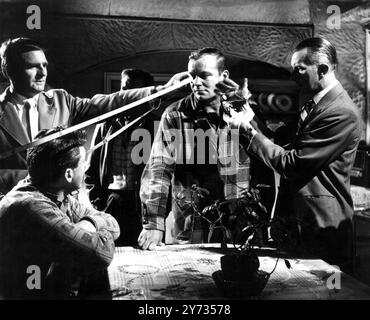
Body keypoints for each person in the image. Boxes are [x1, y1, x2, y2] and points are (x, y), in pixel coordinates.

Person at [221, 37, 362, 274]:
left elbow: (291, 163)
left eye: (299, 69)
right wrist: (249, 116)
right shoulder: (319, 105)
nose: (293, 75)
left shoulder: (340, 112)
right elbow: (281, 145)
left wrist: (247, 130)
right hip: (301, 223)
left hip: (322, 226)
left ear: (323, 69)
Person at [0, 37, 187, 196]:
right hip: (13, 210)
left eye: (44, 65)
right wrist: (33, 178)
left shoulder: (60, 100)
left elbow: (108, 103)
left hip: (59, 208)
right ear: (9, 70)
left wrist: (161, 91)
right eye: (32, 67)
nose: (42, 73)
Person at [138, 47, 255, 250]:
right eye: (192, 76)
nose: (196, 83)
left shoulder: (242, 111)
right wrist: (153, 223)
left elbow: (264, 156)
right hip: (191, 221)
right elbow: (158, 170)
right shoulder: (175, 114)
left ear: (223, 76)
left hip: (235, 220)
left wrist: (244, 111)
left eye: (204, 76)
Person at [0, 128, 120, 299]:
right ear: (69, 174)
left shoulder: (55, 193)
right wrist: (93, 227)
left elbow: (113, 223)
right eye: (83, 163)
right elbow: (102, 254)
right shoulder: (32, 207)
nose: (86, 168)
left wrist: (89, 223)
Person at [86, 68, 158, 245]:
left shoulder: (155, 125)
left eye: (133, 90)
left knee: (143, 256)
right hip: (111, 201)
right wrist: (99, 203)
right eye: (124, 89)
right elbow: (91, 168)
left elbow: (167, 173)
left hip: (142, 204)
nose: (126, 95)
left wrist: (158, 215)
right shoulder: (106, 124)